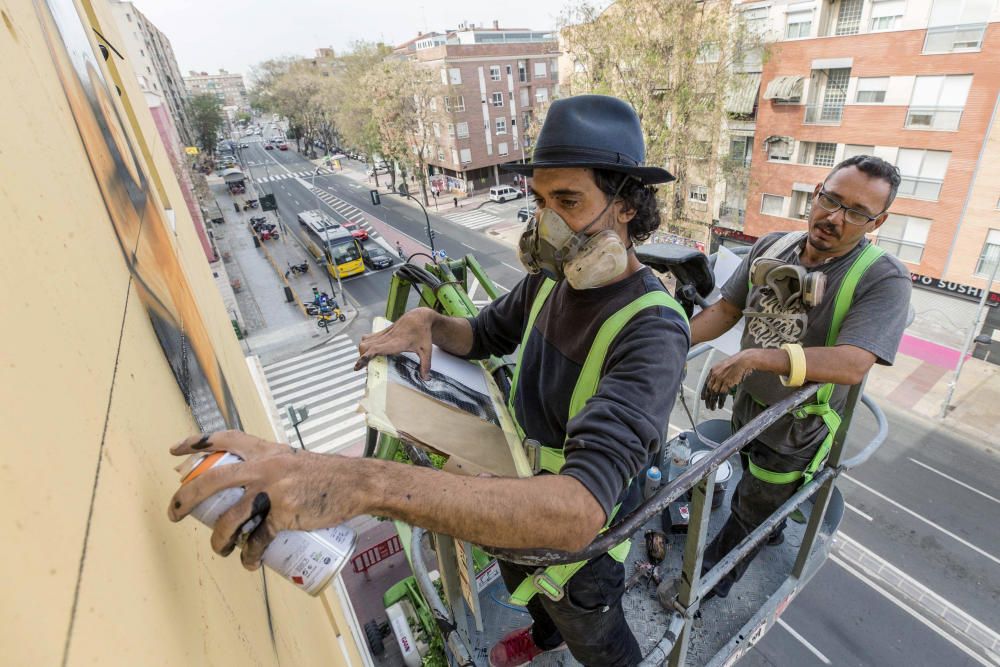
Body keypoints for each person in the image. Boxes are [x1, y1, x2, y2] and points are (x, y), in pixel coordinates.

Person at [166, 95, 690, 667]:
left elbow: (578, 510)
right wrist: (428, 323)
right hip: (510, 490)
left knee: (592, 628)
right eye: (540, 201)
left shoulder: (653, 330)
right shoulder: (553, 279)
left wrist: (360, 483)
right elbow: (486, 333)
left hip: (581, 551)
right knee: (539, 602)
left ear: (627, 208)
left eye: (568, 201)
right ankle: (546, 638)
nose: (550, 224)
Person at [689, 155, 912, 599]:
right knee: (747, 475)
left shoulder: (883, 279)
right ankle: (768, 529)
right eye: (830, 199)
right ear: (816, 193)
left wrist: (755, 358)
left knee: (751, 511)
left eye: (855, 213)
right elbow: (727, 310)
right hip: (748, 404)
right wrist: (670, 343)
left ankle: (708, 585)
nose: (833, 217)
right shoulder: (772, 247)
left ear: (877, 221)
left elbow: (853, 362)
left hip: (797, 428)